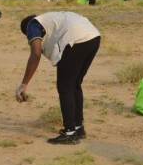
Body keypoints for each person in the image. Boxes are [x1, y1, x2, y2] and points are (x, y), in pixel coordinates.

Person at [16, 12, 101, 144]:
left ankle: (69, 133)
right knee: (75, 84)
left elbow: (36, 53)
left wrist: (23, 84)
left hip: (76, 39)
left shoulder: (32, 25)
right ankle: (78, 128)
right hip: (93, 37)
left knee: (65, 87)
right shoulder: (52, 19)